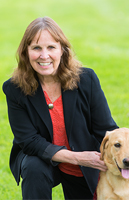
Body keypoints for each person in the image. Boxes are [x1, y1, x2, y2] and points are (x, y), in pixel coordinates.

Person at [3, 17, 118, 200]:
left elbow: (106, 129)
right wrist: (77, 157)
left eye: (51, 47)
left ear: (62, 50)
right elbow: (29, 141)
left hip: (83, 163)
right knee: (33, 167)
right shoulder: (15, 89)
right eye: (36, 48)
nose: (44, 55)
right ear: (26, 52)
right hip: (43, 159)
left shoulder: (86, 80)